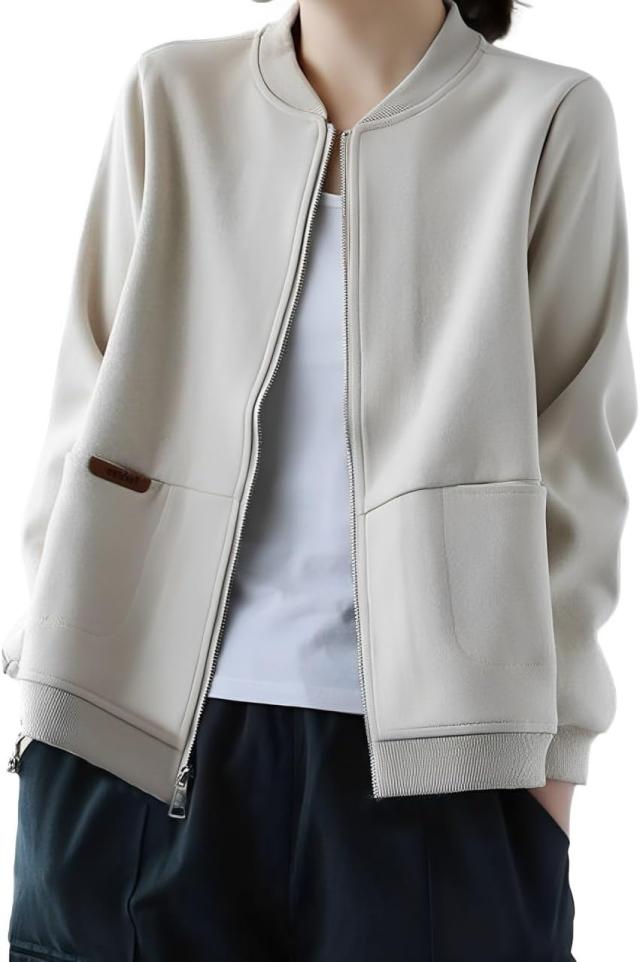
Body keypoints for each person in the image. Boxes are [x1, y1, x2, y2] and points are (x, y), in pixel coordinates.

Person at [2, 0, 635, 959]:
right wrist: (49, 691)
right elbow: (79, 416)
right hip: (132, 743)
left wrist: (547, 786)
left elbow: (576, 479)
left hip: (444, 775)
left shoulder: (545, 119)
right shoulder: (172, 96)